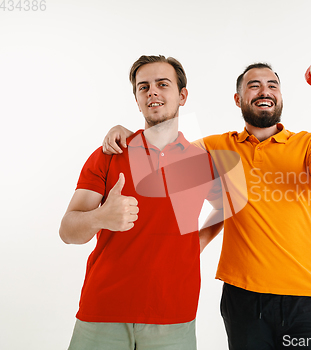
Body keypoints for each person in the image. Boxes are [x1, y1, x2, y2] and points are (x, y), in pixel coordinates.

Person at [103, 63, 311, 350]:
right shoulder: (216, 147)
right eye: (254, 85)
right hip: (243, 299)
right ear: (238, 100)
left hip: (307, 299)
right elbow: (163, 154)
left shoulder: (307, 144)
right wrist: (130, 134)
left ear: (281, 97)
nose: (265, 91)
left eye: (272, 85)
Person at [59, 55, 224, 350]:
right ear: (136, 99)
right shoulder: (109, 153)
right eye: (143, 87)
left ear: (182, 95)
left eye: (163, 84)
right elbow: (67, 231)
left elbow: (225, 208)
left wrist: (193, 244)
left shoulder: (202, 161)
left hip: (174, 315)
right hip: (103, 311)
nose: (153, 92)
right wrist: (100, 218)